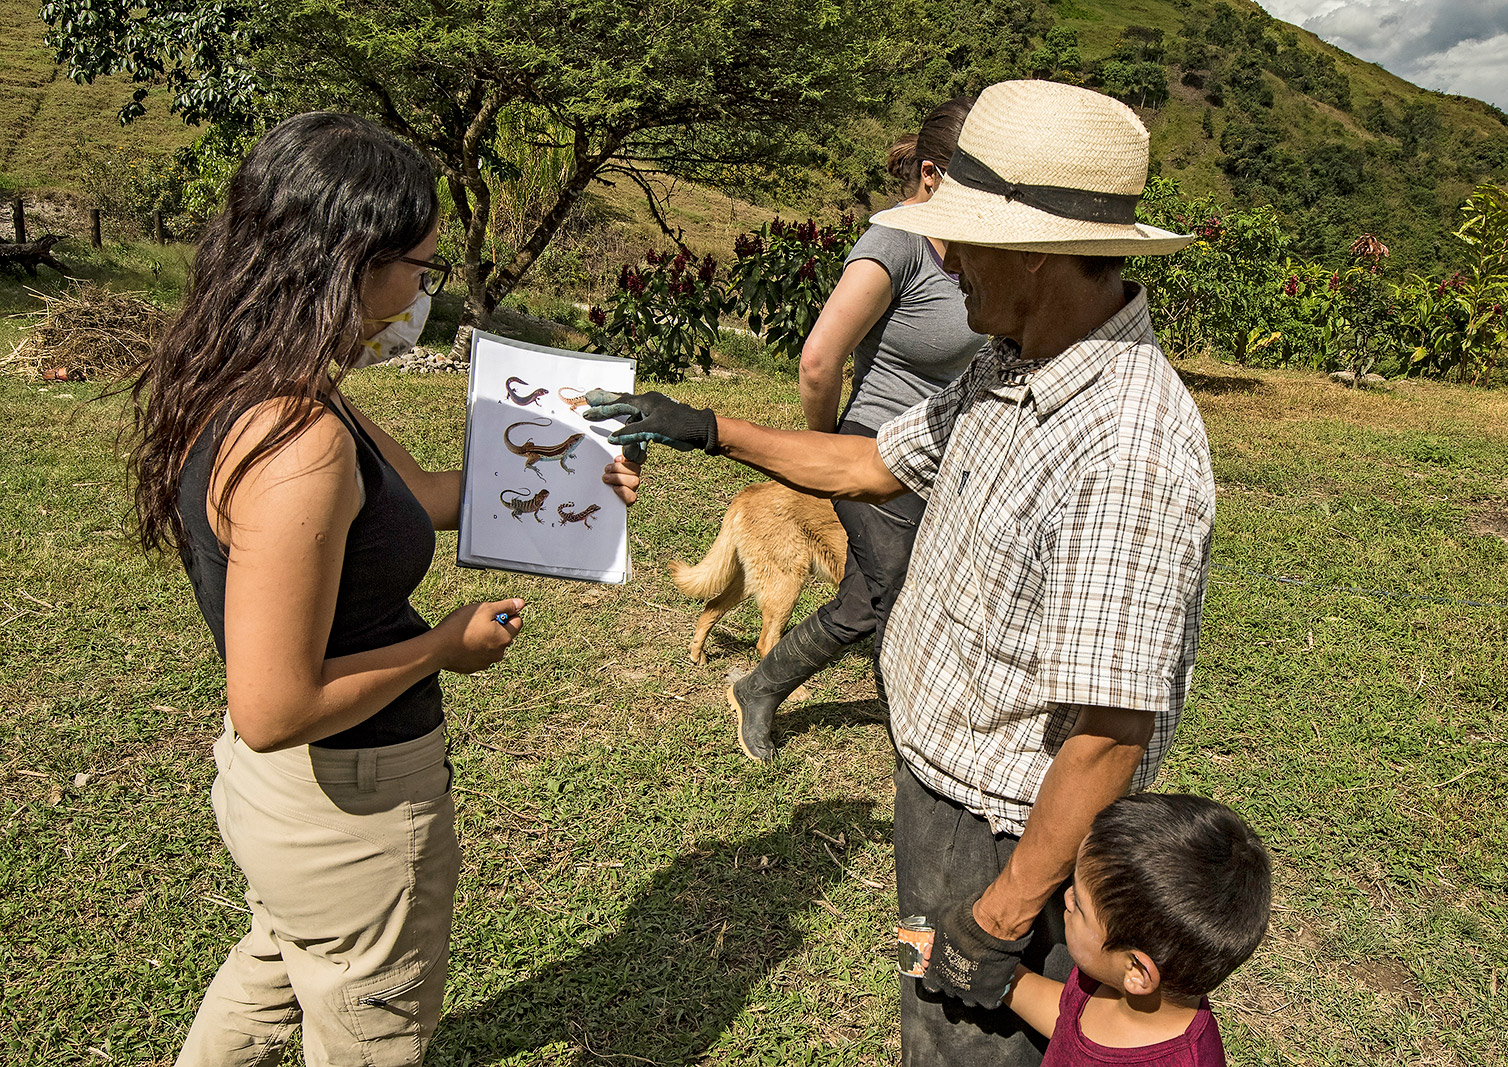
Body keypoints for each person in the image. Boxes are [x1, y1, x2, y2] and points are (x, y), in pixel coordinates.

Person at [585, 79, 1208, 1066]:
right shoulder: (1010, 360)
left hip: (1001, 832)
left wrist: (1000, 917)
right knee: (928, 1035)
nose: (941, 253)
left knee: (961, 1049)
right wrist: (708, 428)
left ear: (1039, 251)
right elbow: (872, 462)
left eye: (960, 234)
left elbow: (1104, 737)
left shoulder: (1127, 444)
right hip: (936, 788)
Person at [125, 112, 640, 1066]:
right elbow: (276, 704)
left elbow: (426, 499)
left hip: (279, 803)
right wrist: (443, 647)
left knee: (278, 959)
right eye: (420, 268)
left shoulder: (260, 381)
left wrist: (579, 473)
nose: (422, 295)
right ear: (354, 262)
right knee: (372, 1031)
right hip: (347, 808)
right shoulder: (299, 439)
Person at [730, 98, 985, 761]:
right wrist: (824, 450)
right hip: (871, 450)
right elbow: (819, 361)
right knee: (888, 599)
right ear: (930, 175)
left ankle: (758, 685)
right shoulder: (893, 243)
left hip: (936, 456)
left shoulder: (968, 243)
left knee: (867, 599)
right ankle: (914, 744)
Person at [1003, 794, 1271, 1066]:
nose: (1067, 898)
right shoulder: (1110, 975)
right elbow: (1069, 1023)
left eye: (1081, 906)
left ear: (1137, 970)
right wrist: (1002, 977)